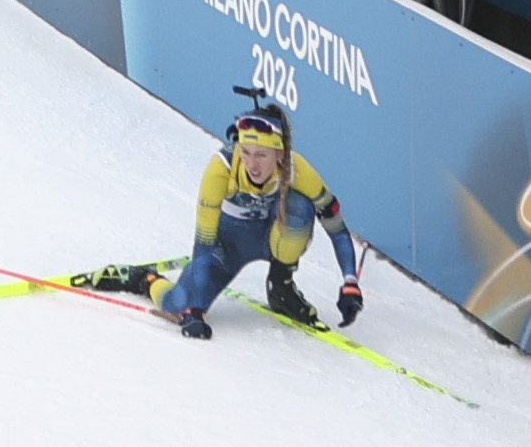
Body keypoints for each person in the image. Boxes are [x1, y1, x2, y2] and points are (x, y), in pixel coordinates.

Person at [107, 95, 364, 341]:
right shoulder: (221, 168)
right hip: (227, 247)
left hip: (271, 240)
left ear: (280, 154)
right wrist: (195, 309)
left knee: (299, 208)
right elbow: (204, 243)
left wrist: (350, 282)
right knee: (179, 305)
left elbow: (337, 228)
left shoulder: (297, 169)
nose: (252, 164)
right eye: (246, 152)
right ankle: (145, 280)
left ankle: (281, 285)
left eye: (261, 155)